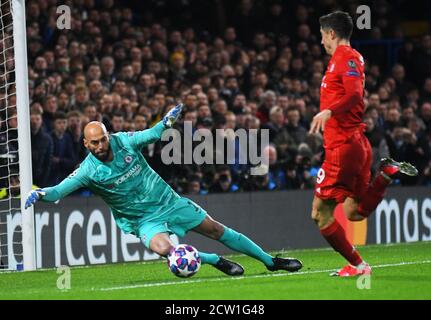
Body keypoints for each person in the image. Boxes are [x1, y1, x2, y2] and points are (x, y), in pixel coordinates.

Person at [25, 104, 302, 276]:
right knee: (165, 249)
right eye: (94, 143)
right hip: (143, 220)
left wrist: (166, 122)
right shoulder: (87, 170)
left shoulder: (124, 142)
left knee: (217, 230)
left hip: (168, 201)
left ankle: (270, 261)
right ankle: (214, 260)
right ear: (86, 144)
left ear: (108, 136)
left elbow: (151, 134)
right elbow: (59, 192)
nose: (101, 146)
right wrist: (40, 193)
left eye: (103, 139)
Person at [309, 11, 418, 277]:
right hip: (356, 145)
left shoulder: (346, 57)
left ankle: (359, 266)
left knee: (319, 214)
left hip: (343, 147)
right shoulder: (344, 59)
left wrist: (330, 111)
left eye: (323, 35)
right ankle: (385, 176)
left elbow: (355, 94)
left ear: (331, 33)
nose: (321, 41)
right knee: (354, 212)